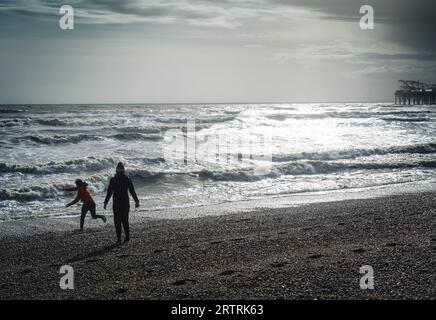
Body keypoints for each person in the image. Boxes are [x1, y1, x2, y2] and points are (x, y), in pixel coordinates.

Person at [104, 162, 139, 243]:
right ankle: (127, 237)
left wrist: (105, 202)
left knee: (117, 221)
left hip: (116, 202)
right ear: (123, 170)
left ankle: (119, 239)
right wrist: (136, 201)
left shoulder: (113, 180)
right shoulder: (127, 179)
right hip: (125, 202)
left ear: (116, 170)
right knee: (125, 220)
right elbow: (132, 191)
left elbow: (109, 192)